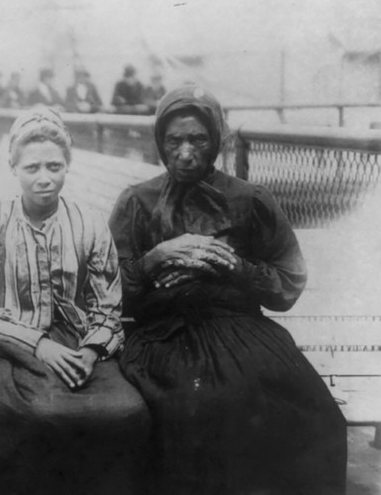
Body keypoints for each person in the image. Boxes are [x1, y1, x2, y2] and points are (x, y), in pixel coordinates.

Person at [108, 85, 347, 495]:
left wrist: (234, 267)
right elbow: (106, 285)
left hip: (242, 331)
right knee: (196, 409)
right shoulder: (137, 202)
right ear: (160, 143)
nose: (185, 152)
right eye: (174, 140)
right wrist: (156, 259)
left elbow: (286, 286)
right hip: (163, 336)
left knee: (313, 411)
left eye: (198, 140)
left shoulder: (251, 200)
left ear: (216, 141)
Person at [0, 107, 150, 495]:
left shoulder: (89, 223)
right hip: (14, 348)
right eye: (32, 167)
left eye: (54, 166)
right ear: (13, 167)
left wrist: (89, 352)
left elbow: (108, 307)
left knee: (127, 410)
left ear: (68, 166)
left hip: (83, 349)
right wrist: (38, 345)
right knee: (39, 414)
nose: (44, 178)